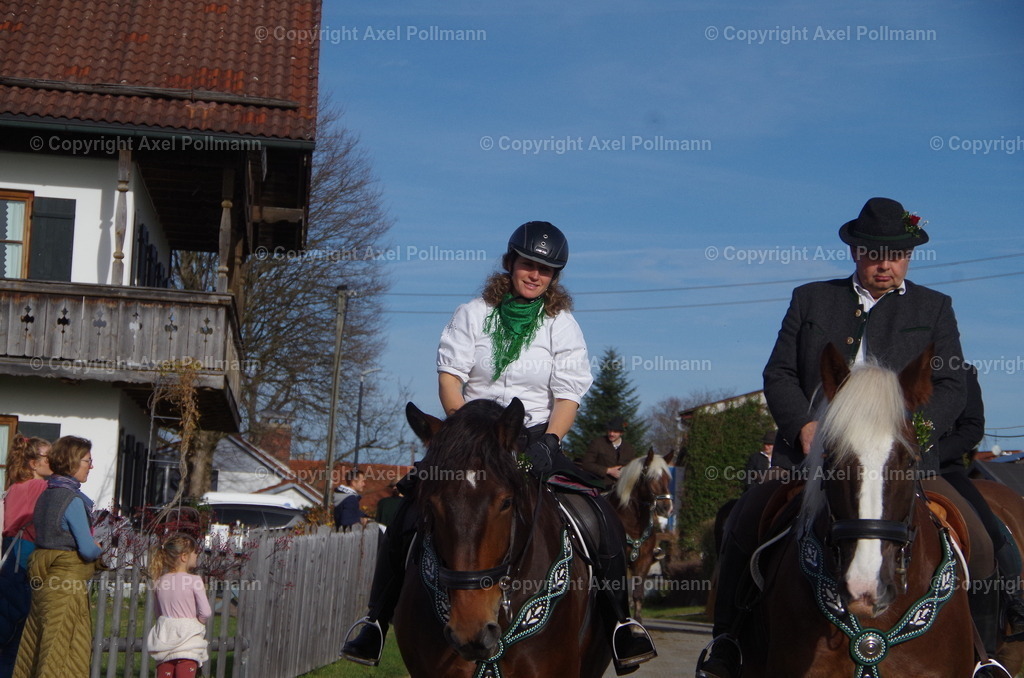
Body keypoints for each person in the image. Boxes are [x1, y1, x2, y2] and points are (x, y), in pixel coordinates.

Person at [342, 221, 656, 675]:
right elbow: (451, 378)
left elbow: (568, 394)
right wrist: (463, 429)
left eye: (546, 270)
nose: (535, 275)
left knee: (599, 516)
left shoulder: (561, 324)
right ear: (510, 263)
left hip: (533, 438)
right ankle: (374, 621)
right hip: (471, 435)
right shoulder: (473, 313)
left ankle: (621, 625)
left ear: (555, 278)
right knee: (409, 514)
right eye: (528, 264)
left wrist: (551, 441)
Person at [698, 197, 989, 678]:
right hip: (816, 457)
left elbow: (953, 384)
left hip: (902, 460)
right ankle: (727, 642)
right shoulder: (810, 299)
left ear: (909, 256)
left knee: (984, 533)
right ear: (856, 251)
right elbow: (780, 373)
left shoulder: (935, 307)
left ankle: (982, 653)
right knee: (743, 520)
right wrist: (805, 426)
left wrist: (909, 435)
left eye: (897, 254)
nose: (886, 263)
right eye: (875, 252)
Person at [936, 365, 1024, 652]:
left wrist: (930, 455)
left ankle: (1014, 602)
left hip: (943, 470)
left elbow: (972, 427)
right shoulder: (888, 370)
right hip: (887, 470)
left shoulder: (962, 373)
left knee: (990, 530)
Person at [14, 436, 101, 678]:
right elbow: (86, 549)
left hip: (43, 583)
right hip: (66, 587)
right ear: (73, 462)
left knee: (39, 649)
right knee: (63, 654)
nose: (91, 466)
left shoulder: (46, 495)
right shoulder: (71, 500)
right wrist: (99, 547)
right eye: (88, 461)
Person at [1, 437, 51, 678]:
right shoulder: (41, 488)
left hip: (9, 552)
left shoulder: (13, 487)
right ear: (33, 463)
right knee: (17, 631)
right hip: (26, 555)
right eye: (48, 458)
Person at [146, 534, 211, 678]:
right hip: (188, 643)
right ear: (184, 556)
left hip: (165, 642)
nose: (196, 556)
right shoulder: (194, 580)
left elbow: (158, 613)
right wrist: (197, 622)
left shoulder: (159, 582)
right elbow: (205, 612)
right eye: (195, 553)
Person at [579, 416, 640, 486]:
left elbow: (633, 468)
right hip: (598, 485)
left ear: (621, 433)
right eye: (610, 430)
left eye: (615, 431)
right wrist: (608, 471)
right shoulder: (597, 443)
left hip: (621, 487)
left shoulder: (629, 448)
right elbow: (587, 464)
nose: (611, 434)